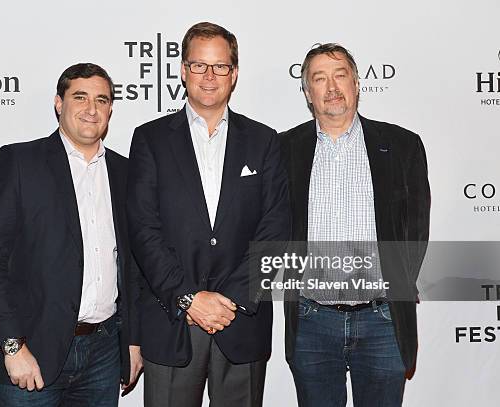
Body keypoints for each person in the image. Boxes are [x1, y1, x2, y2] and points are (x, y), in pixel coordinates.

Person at [127, 21, 289, 407]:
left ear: (234, 74)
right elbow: (143, 229)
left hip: (241, 322)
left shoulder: (264, 140)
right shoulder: (149, 139)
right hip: (172, 323)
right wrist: (188, 298)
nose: (209, 76)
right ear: (183, 71)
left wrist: (228, 300)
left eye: (220, 66)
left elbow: (276, 227)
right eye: (199, 65)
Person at [0, 63, 143, 407]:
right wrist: (11, 345)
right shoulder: (20, 162)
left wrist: (132, 341)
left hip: (104, 352)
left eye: (102, 100)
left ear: (110, 109)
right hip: (32, 348)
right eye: (80, 97)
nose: (92, 109)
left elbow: (133, 267)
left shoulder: (125, 172)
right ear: (59, 103)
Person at [281, 43, 431, 407]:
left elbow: (416, 227)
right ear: (307, 93)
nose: (331, 87)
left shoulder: (401, 145)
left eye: (340, 75)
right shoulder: (283, 149)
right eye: (319, 78)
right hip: (312, 321)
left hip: (382, 320)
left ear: (357, 83)